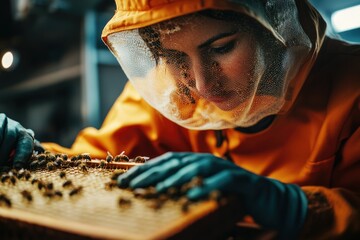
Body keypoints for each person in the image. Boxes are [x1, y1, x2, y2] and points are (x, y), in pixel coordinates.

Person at [1, 0, 359, 239]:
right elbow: (82, 170)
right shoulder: (171, 95)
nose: (201, 84)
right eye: (174, 56)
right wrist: (21, 152)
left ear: (272, 24)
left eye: (221, 48)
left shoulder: (352, 85)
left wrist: (296, 208)